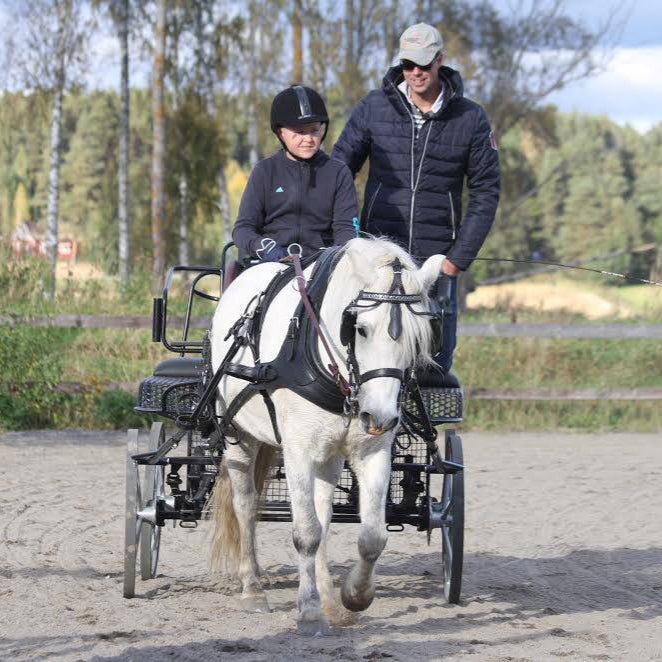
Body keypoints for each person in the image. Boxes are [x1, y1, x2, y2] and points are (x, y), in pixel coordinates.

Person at [331, 23, 500, 378]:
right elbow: (339, 171)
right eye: (408, 64)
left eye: (424, 64)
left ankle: (426, 415)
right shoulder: (373, 107)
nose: (416, 72)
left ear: (440, 60)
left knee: (432, 369)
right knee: (370, 367)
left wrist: (457, 260)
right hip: (378, 262)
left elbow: (486, 192)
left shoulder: (471, 118)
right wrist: (349, 239)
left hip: (435, 263)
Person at [232, 85, 359, 264]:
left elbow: (346, 230)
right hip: (272, 261)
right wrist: (266, 248)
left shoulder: (338, 172)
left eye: (314, 130)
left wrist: (332, 260)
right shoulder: (264, 171)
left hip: (320, 264)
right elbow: (243, 229)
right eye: (300, 132)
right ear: (280, 132)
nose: (308, 139)